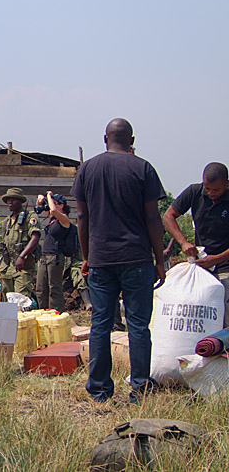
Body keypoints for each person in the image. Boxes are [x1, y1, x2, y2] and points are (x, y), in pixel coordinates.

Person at [72, 118, 166, 404]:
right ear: (132, 139)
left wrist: (87, 257)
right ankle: (139, 389)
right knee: (138, 325)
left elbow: (82, 218)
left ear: (105, 138)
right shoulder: (143, 168)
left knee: (101, 323)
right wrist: (160, 260)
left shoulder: (88, 168)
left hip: (101, 259)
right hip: (136, 258)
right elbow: (153, 218)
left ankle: (99, 390)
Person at [163, 162, 229, 327]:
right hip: (202, 265)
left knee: (225, 314)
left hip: (225, 266)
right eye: (207, 188)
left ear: (227, 184)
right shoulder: (194, 192)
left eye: (216, 190)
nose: (211, 193)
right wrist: (183, 242)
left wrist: (217, 259)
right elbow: (168, 216)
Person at [0, 188, 41, 298]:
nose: (10, 203)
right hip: (7, 266)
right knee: (6, 298)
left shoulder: (29, 217)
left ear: (21, 201)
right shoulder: (7, 221)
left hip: (22, 265)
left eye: (13, 200)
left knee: (21, 299)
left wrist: (22, 256)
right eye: (8, 200)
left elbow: (35, 237)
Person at [34, 192, 72, 313]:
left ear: (61, 205)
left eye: (55, 203)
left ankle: (56, 314)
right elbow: (39, 209)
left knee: (54, 288)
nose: (51, 206)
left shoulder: (64, 219)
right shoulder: (52, 218)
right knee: (40, 288)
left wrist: (49, 196)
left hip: (55, 257)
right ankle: (43, 312)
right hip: (44, 257)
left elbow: (54, 211)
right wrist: (40, 200)